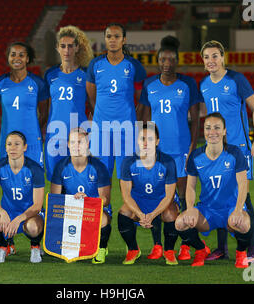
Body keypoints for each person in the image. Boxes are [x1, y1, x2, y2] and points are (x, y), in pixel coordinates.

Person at [139, 36, 201, 260]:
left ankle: (185, 244)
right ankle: (158, 245)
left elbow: (195, 119)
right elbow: (144, 119)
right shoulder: (149, 84)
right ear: (157, 61)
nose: (167, 62)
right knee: (157, 198)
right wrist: (144, 148)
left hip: (181, 150)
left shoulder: (188, 84)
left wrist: (193, 146)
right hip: (157, 152)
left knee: (185, 199)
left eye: (171, 59)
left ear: (177, 61)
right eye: (163, 59)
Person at [199, 40, 254, 261]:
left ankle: (251, 248)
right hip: (216, 149)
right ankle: (222, 248)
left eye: (215, 56)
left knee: (244, 197)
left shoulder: (236, 79)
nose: (211, 61)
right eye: (206, 57)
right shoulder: (204, 84)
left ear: (223, 57)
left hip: (240, 147)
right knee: (219, 195)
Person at [174, 112, 252, 268]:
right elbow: (190, 186)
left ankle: (241, 253)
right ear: (203, 131)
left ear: (224, 131)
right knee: (180, 223)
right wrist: (190, 209)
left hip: (230, 209)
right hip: (207, 211)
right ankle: (201, 249)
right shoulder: (196, 156)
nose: (212, 132)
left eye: (217, 128)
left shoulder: (235, 153)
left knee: (244, 223)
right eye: (208, 128)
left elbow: (243, 184)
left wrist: (238, 209)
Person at [86, 23, 147, 180]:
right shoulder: (95, 64)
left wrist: (133, 120)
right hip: (101, 129)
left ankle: (127, 206)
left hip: (126, 128)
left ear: (124, 40)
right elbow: (92, 96)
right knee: (100, 175)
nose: (112, 40)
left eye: (116, 36)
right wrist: (101, 114)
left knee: (126, 175)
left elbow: (141, 98)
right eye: (109, 36)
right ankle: (104, 206)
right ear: (105, 40)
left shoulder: (134, 65)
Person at [118, 122, 179, 265]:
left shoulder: (167, 162)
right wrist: (140, 214)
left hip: (161, 201)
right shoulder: (128, 162)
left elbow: (169, 196)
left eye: (150, 139)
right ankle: (133, 249)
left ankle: (169, 251)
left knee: (171, 214)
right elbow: (126, 195)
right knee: (124, 213)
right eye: (142, 139)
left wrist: (152, 215)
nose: (146, 143)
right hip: (139, 201)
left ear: (157, 141)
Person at [0, 131, 45, 264]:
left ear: (25, 147)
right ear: (5, 148)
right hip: (8, 212)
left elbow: (38, 205)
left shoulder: (35, 169)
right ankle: (4, 246)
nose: (13, 148)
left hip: (29, 214)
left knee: (33, 227)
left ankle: (35, 246)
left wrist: (19, 219)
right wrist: (2, 212)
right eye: (9, 144)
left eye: (17, 144)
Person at [50, 127, 112, 264]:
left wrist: (88, 201)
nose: (76, 146)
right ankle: (72, 244)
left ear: (87, 143)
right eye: (73, 142)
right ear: (68, 144)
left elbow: (106, 200)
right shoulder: (61, 166)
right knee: (55, 217)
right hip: (72, 210)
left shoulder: (98, 166)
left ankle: (102, 247)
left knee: (103, 219)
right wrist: (73, 201)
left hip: (94, 209)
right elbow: (55, 199)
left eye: (80, 142)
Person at [44, 25, 94, 181]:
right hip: (55, 134)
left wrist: (91, 133)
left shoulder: (85, 75)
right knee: (55, 179)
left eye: (71, 46)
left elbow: (94, 106)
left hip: (78, 133)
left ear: (77, 48)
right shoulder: (50, 75)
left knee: (77, 178)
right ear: (57, 48)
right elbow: (46, 108)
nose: (67, 50)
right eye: (63, 46)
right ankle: (57, 207)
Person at [0, 41, 49, 165]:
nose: (17, 58)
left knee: (34, 180)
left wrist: (32, 130)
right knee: (8, 179)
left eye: (21, 55)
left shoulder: (38, 83)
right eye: (13, 55)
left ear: (27, 59)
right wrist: (7, 133)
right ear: (8, 58)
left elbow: (44, 114)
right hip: (8, 141)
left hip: (32, 140)